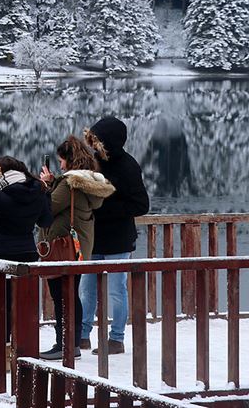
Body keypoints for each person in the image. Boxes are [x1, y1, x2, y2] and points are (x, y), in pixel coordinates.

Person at [0, 156, 52, 368]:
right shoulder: (37, 192)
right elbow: (45, 221)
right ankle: (25, 352)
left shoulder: (2, 196)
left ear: (0, 173)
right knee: (25, 306)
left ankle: (3, 355)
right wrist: (47, 195)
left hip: (1, 256)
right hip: (27, 255)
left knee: (2, 307)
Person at [38, 136, 116, 360]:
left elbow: (49, 209)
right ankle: (71, 343)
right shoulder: (85, 182)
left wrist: (44, 188)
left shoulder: (69, 182)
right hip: (79, 248)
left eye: (62, 160)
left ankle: (64, 345)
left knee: (61, 296)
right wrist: (54, 183)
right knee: (71, 295)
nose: (60, 165)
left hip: (62, 248)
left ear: (70, 161)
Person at [80, 117, 150, 354]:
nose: (93, 145)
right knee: (85, 288)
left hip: (118, 239)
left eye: (97, 140)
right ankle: (82, 335)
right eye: (92, 140)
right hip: (93, 237)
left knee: (116, 290)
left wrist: (104, 210)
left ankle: (116, 339)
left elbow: (141, 205)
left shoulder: (128, 166)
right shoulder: (92, 163)